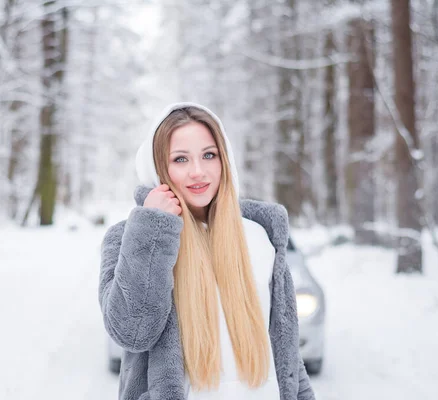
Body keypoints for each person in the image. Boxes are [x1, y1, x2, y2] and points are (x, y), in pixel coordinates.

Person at [99, 102, 315, 400]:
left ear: (224, 160)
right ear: (159, 169)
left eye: (209, 155)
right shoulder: (133, 240)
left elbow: (287, 354)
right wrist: (152, 227)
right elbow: (133, 332)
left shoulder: (260, 236)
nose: (198, 172)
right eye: (180, 159)